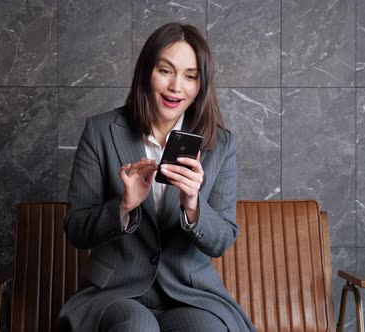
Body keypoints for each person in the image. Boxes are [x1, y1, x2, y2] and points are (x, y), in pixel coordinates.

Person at [59, 22, 255, 332]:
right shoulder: (100, 132)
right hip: (116, 292)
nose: (176, 87)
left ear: (201, 86)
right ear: (146, 72)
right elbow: (76, 230)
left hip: (190, 295)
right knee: (136, 327)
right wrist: (122, 206)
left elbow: (222, 239)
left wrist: (193, 204)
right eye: (166, 71)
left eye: (190, 76)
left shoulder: (220, 144)